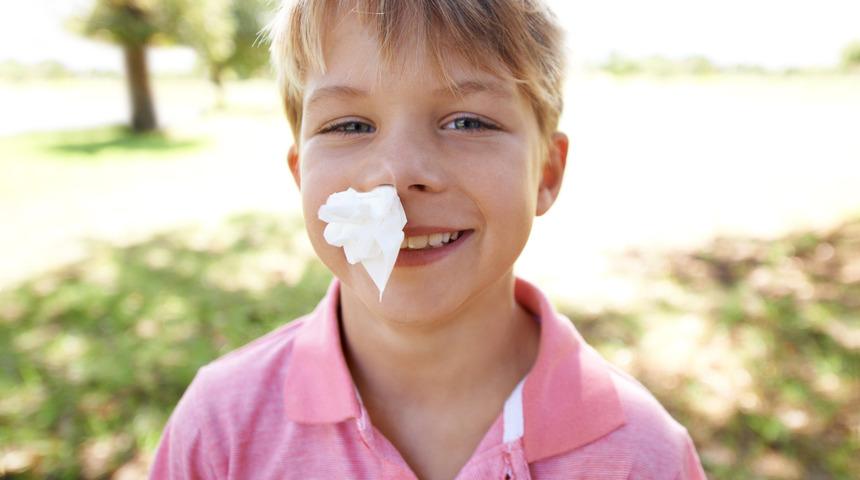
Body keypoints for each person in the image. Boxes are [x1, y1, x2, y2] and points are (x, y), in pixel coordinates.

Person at [150, 1, 707, 478]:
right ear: (300, 175)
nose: (398, 172)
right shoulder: (221, 429)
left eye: (467, 122)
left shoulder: (642, 454)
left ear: (546, 174)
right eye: (349, 125)